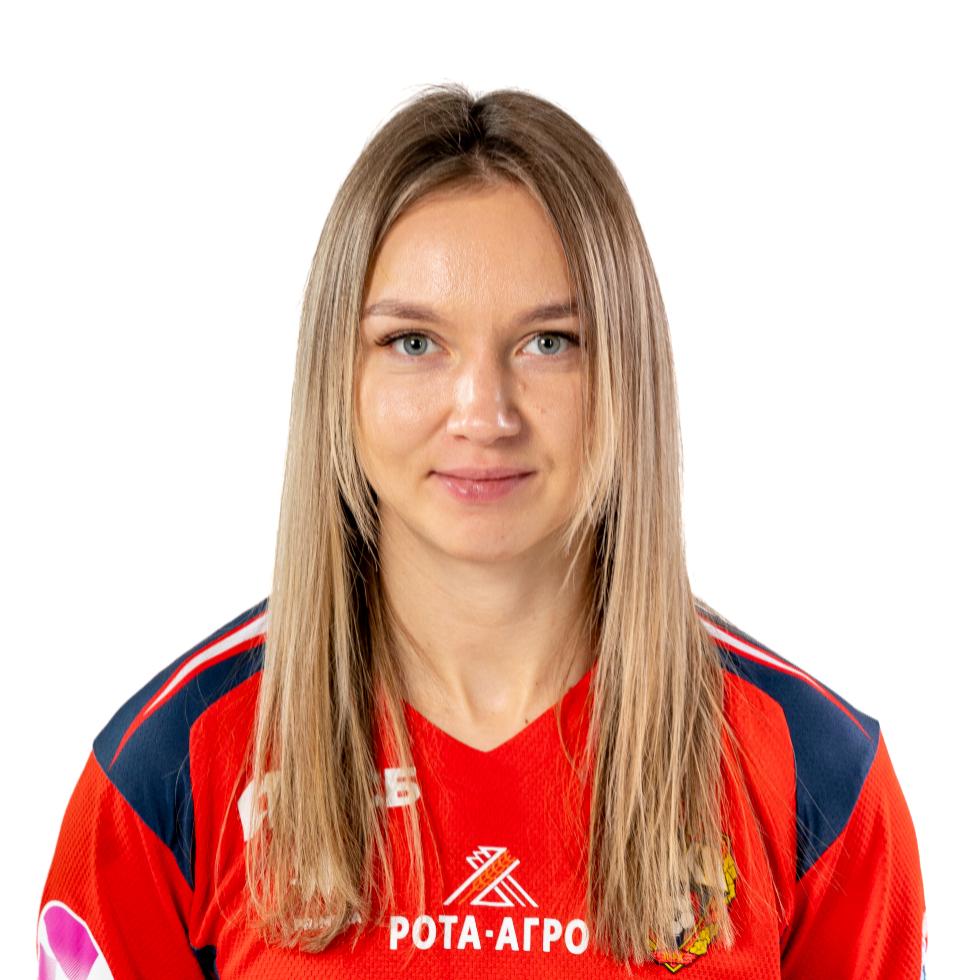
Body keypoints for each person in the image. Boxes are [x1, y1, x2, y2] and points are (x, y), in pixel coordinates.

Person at [37, 83, 927, 978]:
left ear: (630, 371)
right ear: (337, 376)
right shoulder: (170, 768)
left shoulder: (815, 773)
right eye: (414, 343)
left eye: (550, 342)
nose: (483, 414)